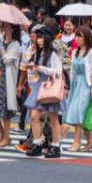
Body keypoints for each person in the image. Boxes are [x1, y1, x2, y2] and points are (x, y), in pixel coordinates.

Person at [24, 26, 65, 159]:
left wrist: (40, 68)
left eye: (41, 37)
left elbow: (58, 71)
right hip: (40, 85)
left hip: (50, 86)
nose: (39, 40)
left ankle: (55, 145)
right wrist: (33, 67)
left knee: (53, 118)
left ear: (47, 38)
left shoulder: (53, 53)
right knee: (34, 115)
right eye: (38, 37)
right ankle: (37, 143)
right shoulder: (38, 52)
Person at [64, 26, 92, 152]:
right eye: (76, 36)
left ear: (86, 38)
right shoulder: (74, 52)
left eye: (79, 36)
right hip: (76, 84)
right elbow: (72, 70)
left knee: (79, 112)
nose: (76, 39)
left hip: (86, 85)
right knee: (80, 114)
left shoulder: (91, 53)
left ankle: (76, 142)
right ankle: (89, 142)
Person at [0, 23, 21, 148]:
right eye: (4, 27)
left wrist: (0, 46)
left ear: (13, 29)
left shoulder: (15, 44)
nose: (5, 29)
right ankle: (2, 134)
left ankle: (6, 136)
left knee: (5, 111)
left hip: (7, 80)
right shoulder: (1, 41)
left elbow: (7, 60)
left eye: (8, 27)